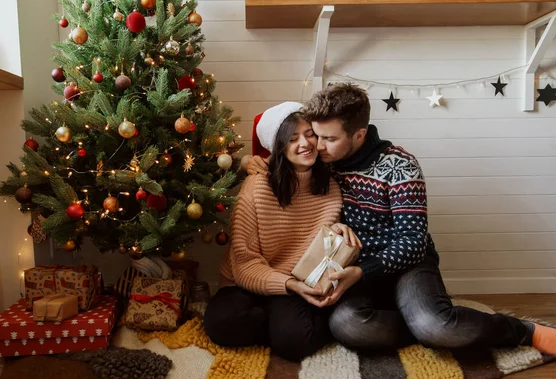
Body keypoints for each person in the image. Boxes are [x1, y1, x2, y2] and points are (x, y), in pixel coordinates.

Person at [247, 83, 556, 356]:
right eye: (317, 135)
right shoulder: (324, 163)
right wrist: (250, 163)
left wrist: (361, 272)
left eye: (328, 138)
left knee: (434, 325)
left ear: (359, 134)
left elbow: (412, 242)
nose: (317, 146)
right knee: (347, 325)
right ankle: (424, 327)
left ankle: (522, 330)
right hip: (353, 266)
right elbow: (281, 161)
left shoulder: (399, 165)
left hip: (407, 264)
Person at [203, 101, 361, 361]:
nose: (305, 144)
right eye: (292, 138)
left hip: (298, 283)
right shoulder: (256, 186)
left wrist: (337, 229)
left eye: (310, 134)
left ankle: (283, 327)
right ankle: (279, 325)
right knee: (221, 324)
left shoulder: (330, 185)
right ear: (278, 146)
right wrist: (287, 285)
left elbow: (321, 247)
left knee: (294, 343)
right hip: (249, 280)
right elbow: (244, 264)